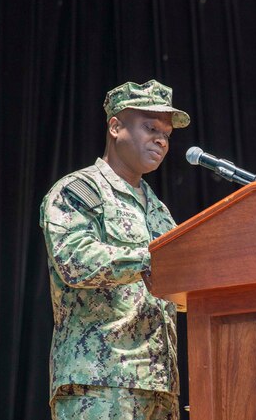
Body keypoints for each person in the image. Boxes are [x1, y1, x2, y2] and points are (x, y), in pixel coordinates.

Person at [39, 79, 190, 420]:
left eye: (167, 133)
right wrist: (153, 259)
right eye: (151, 128)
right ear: (116, 126)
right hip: (99, 380)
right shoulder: (77, 191)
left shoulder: (160, 210)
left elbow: (181, 287)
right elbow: (75, 262)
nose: (161, 140)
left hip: (160, 387)